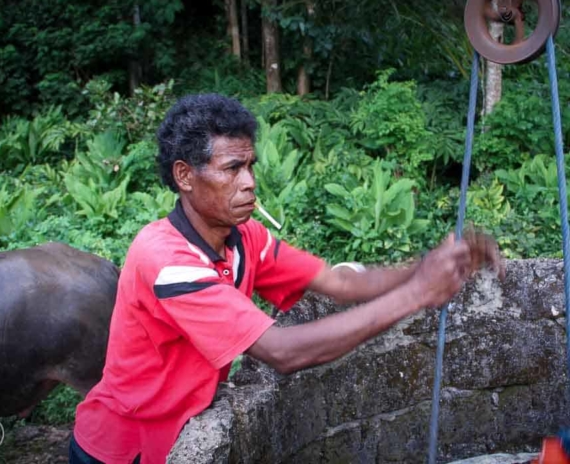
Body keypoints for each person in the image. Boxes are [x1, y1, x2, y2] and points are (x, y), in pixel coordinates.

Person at [70, 94, 504, 464]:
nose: (250, 184)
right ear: (185, 176)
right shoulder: (165, 260)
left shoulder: (245, 239)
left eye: (251, 166)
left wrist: (428, 266)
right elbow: (281, 351)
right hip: (122, 449)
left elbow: (340, 283)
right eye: (232, 169)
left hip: (178, 435)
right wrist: (417, 293)